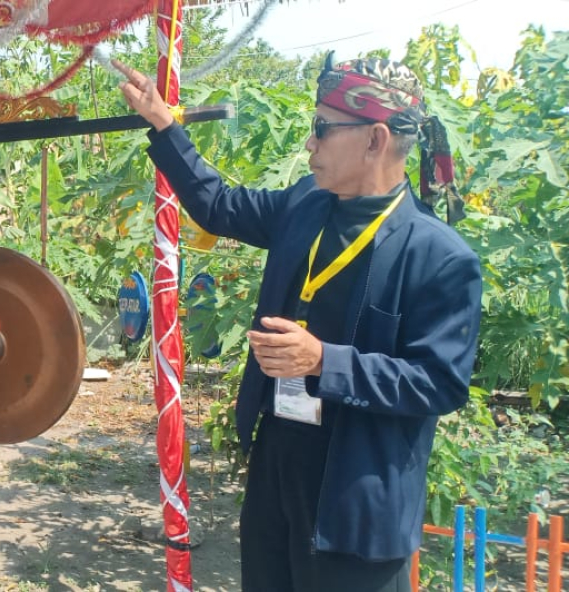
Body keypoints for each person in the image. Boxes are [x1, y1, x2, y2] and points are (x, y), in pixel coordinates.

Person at [117, 56, 482, 591]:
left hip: (357, 498)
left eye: (321, 129)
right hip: (279, 468)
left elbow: (440, 382)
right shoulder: (306, 205)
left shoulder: (439, 256)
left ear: (375, 140)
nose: (309, 145)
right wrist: (165, 126)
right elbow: (218, 206)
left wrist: (324, 361)